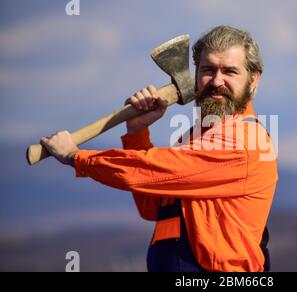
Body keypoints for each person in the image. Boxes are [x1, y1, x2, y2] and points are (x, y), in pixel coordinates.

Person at [41, 25, 278, 272]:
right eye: (208, 70)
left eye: (230, 71)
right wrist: (137, 132)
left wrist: (75, 157)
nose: (217, 81)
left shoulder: (245, 142)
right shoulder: (195, 139)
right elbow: (153, 207)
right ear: (196, 75)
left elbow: (152, 168)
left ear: (253, 79)